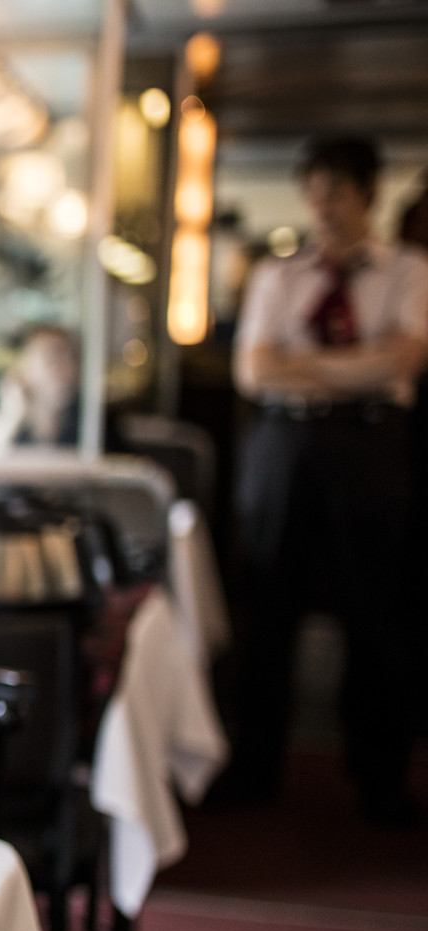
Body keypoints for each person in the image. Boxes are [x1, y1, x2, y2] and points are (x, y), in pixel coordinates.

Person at [226, 135, 428, 824]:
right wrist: (356, 363)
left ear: (367, 194)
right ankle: (253, 766)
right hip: (284, 443)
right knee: (266, 607)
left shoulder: (408, 269)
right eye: (313, 193)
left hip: (372, 444)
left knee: (378, 613)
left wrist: (304, 363)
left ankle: (379, 778)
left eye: (335, 193)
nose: (322, 207)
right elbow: (254, 371)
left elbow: (406, 357)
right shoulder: (276, 277)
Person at [0, 324, 81, 450]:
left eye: (71, 358)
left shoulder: (92, 423)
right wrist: (11, 414)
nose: (65, 369)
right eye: (52, 358)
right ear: (22, 367)